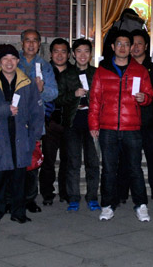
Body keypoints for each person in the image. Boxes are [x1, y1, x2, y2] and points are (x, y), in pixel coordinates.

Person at [88, 30, 153, 222]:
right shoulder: (102, 70)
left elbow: (149, 95)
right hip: (108, 127)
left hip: (131, 128)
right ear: (113, 47)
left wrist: (144, 98)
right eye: (119, 44)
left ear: (131, 47)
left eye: (127, 44)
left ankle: (141, 205)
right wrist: (93, 124)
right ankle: (107, 205)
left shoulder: (140, 70)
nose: (123, 47)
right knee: (108, 169)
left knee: (135, 168)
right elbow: (95, 100)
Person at [0, 44, 45, 225]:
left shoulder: (27, 83)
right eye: (5, 59)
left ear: (18, 61)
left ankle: (18, 212)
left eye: (13, 59)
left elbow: (37, 112)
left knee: (19, 179)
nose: (9, 62)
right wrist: (6, 110)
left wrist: (34, 136)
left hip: (21, 138)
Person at [56, 38, 100, 212]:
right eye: (79, 51)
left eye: (86, 51)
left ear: (90, 54)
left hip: (92, 123)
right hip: (72, 123)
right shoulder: (66, 75)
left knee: (93, 163)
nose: (83, 55)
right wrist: (74, 95)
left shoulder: (97, 73)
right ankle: (73, 198)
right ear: (73, 54)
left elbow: (104, 98)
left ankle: (92, 197)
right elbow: (58, 99)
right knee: (73, 163)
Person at [18, 29, 58, 213]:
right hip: (15, 119)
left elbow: (53, 92)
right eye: (28, 40)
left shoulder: (44, 66)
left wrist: (41, 90)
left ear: (39, 44)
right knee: (14, 161)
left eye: (35, 41)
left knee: (32, 161)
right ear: (22, 43)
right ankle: (13, 198)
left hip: (34, 121)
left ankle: (29, 199)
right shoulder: (13, 62)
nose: (31, 44)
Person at [127, 29, 153, 207]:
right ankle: (122, 194)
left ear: (146, 46)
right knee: (127, 159)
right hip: (129, 120)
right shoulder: (124, 66)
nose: (135, 47)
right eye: (132, 44)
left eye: (139, 43)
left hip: (150, 120)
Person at [40, 38, 71, 206]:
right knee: (48, 160)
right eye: (56, 51)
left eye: (63, 51)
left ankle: (65, 192)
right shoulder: (44, 71)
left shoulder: (74, 72)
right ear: (51, 54)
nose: (60, 55)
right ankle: (47, 193)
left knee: (67, 160)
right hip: (50, 121)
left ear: (69, 54)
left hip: (69, 122)